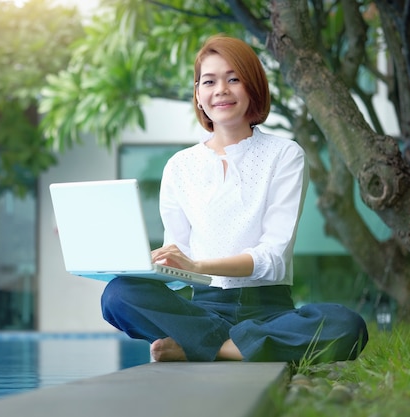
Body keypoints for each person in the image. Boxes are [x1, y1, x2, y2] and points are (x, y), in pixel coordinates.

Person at [100, 34, 368, 362]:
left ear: (252, 87)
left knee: (347, 325)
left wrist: (198, 265)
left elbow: (272, 260)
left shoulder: (285, 154)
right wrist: (148, 263)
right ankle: (232, 346)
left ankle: (213, 348)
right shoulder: (179, 167)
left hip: (270, 311)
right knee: (116, 294)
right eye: (209, 81)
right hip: (204, 311)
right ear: (198, 95)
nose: (221, 90)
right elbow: (178, 260)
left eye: (233, 79)